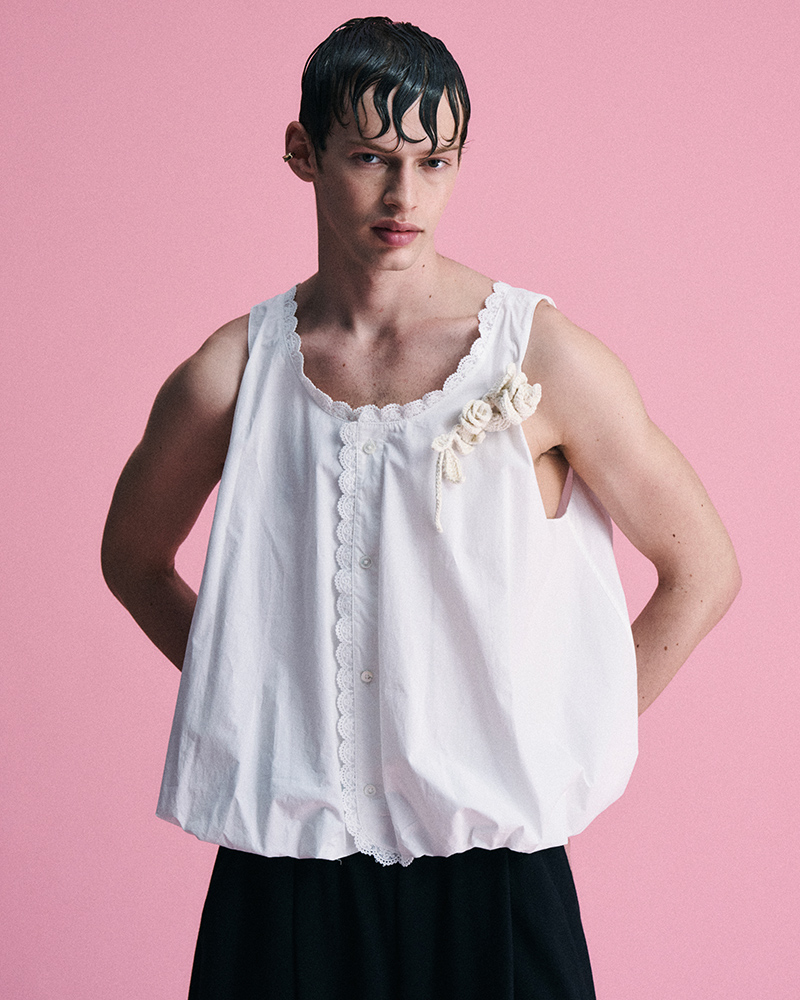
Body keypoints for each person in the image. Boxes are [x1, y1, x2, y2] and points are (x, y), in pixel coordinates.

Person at [101, 16, 740, 1000]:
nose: (405, 197)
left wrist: (566, 725)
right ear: (302, 152)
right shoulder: (235, 371)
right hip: (287, 873)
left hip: (494, 879)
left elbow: (702, 568)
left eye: (434, 161)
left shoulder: (537, 355)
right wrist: (261, 695)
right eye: (370, 158)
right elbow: (133, 556)